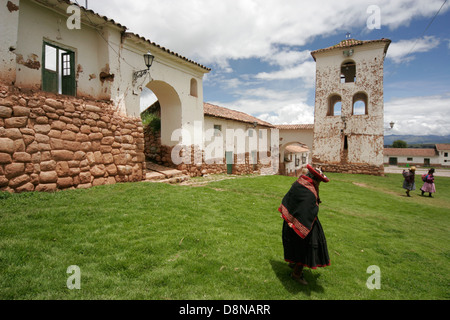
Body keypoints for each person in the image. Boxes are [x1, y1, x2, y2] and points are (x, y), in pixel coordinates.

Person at [278, 164, 330, 285]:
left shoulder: (299, 182)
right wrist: (303, 226)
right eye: (319, 181)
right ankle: (296, 274)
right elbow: (306, 210)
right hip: (303, 224)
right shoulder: (309, 191)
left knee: (293, 244)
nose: (319, 184)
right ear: (315, 179)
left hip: (291, 221)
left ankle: (293, 262)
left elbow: (290, 199)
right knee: (305, 248)